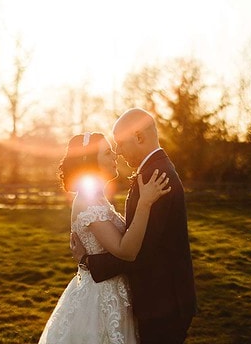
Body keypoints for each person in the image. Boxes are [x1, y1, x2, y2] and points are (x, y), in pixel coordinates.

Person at [71, 108, 197, 344]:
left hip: (165, 302)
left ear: (139, 137)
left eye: (119, 144)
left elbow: (139, 251)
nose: (118, 152)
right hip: (159, 300)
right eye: (110, 150)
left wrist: (89, 262)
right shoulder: (153, 171)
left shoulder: (156, 176)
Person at [39, 131, 171, 344]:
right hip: (100, 299)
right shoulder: (88, 200)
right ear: (90, 161)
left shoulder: (97, 196)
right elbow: (126, 251)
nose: (115, 156)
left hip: (114, 291)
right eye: (108, 153)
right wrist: (145, 203)